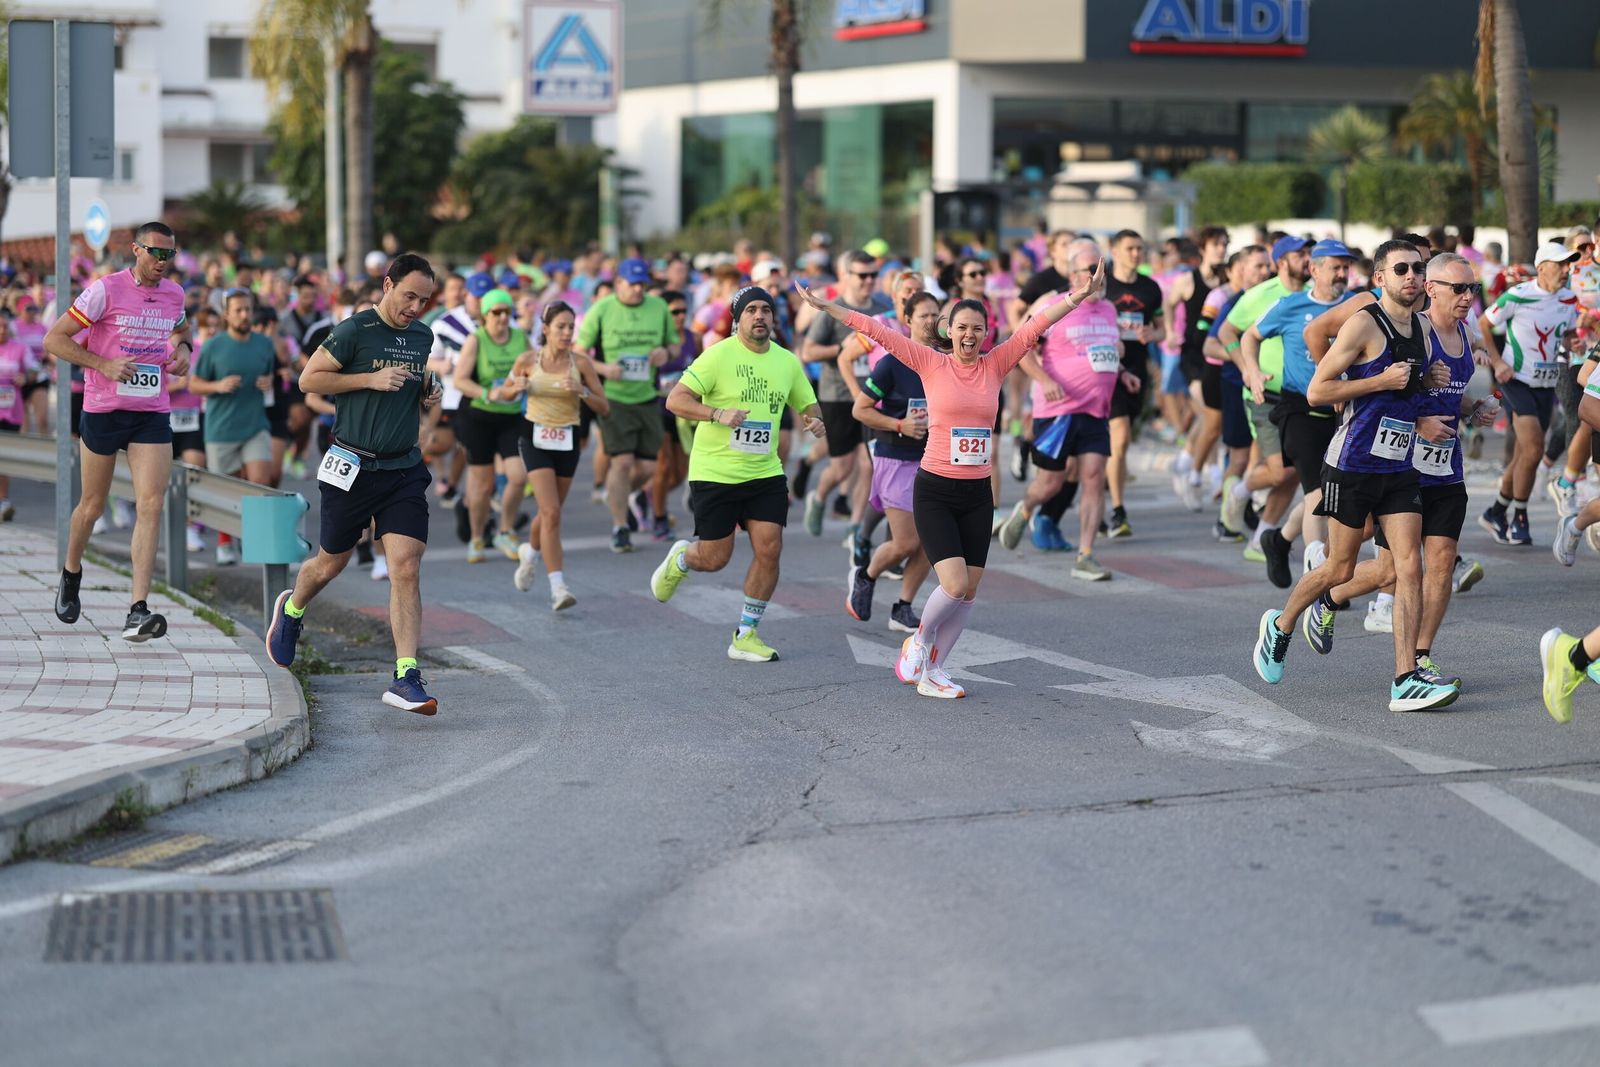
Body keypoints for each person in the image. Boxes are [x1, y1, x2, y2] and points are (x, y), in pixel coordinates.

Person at [797, 260, 1107, 698]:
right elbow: (877, 331)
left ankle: (935, 671)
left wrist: (1079, 296)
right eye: (962, 327)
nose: (969, 335)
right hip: (936, 490)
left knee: (970, 591)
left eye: (977, 328)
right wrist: (828, 307)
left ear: (986, 333)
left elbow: (1038, 322)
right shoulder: (930, 362)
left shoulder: (997, 364)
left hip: (977, 494)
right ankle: (919, 642)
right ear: (950, 330)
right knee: (955, 584)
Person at [1251, 239, 1458, 713]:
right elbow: (1318, 391)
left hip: (1399, 466)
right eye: (1401, 269)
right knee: (1339, 569)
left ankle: (1405, 678)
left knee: (1407, 567)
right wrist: (1380, 380)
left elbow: (1409, 388)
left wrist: (1427, 385)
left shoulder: (1425, 328)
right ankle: (1280, 625)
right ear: (1380, 278)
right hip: (1352, 465)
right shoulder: (1364, 323)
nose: (1411, 276)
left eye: (1418, 268)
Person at [1303, 253, 1496, 689]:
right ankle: (1328, 596)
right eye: (1459, 288)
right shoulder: (1412, 331)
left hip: (1446, 466)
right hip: (1402, 464)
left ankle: (1421, 658)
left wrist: (1473, 409)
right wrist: (1418, 421)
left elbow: (1451, 395)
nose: (1468, 297)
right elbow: (1393, 393)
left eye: (1472, 289)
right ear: (1433, 290)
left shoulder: (1467, 335)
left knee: (1441, 561)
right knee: (1391, 571)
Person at [266, 253, 445, 716]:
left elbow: (412, 386)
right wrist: (370, 378)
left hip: (402, 468)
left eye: (424, 301)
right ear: (387, 285)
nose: (416, 308)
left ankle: (406, 675)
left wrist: (428, 389)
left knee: (405, 565)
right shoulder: (354, 330)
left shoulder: (422, 336)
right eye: (410, 296)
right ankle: (292, 609)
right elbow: (309, 379)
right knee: (330, 563)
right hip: (352, 466)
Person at [652, 286, 826, 662]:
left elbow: (808, 404)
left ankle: (746, 634)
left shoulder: (786, 361)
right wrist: (717, 413)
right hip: (716, 471)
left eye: (766, 309)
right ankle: (683, 558)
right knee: (715, 558)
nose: (759, 315)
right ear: (737, 319)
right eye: (751, 310)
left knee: (770, 547)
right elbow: (676, 400)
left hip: (764, 471)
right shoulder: (717, 356)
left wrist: (815, 420)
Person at [44, 221, 193, 642]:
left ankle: (137, 609)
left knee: (151, 504)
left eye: (169, 254)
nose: (162, 261)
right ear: (136, 249)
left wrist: (184, 349)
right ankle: (71, 572)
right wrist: (103, 365)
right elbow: (54, 340)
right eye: (155, 253)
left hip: (151, 411)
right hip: (104, 410)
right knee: (92, 506)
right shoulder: (105, 290)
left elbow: (183, 330)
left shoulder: (174, 294)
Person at [998, 245, 1130, 580]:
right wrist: (1043, 380)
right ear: (1073, 276)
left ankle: (1086, 555)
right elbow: (1019, 346)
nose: (1099, 274)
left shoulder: (1109, 310)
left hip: (1096, 410)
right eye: (1090, 268)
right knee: (1050, 483)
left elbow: (1102, 351)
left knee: (1094, 477)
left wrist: (1123, 371)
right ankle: (1026, 508)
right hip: (1058, 411)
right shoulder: (1053, 305)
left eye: (1102, 267)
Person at [1237, 239, 1357, 586]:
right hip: (1299, 410)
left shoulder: (1357, 305)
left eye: (1345, 267)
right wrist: (1252, 370)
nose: (1342, 274)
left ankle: (1279, 539)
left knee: (1335, 494)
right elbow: (1249, 337)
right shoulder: (1290, 305)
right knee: (1318, 493)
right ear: (1314, 269)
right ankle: (1319, 579)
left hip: (1343, 410)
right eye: (1335, 267)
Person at [504, 301, 609, 609]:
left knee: (550, 512)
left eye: (571, 327)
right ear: (546, 329)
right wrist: (515, 388)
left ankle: (530, 553)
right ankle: (558, 587)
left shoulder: (582, 363)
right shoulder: (527, 360)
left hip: (567, 440)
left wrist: (582, 391)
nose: (566, 333)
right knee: (551, 512)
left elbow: (604, 407)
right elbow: (503, 393)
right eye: (560, 326)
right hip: (534, 438)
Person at [1477, 241, 1581, 546]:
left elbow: (1567, 334)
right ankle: (1519, 518)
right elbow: (1484, 323)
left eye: (1568, 265)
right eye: (1560, 265)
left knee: (1525, 454)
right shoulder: (1518, 295)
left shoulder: (1569, 299)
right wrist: (1497, 363)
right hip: (1516, 380)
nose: (1566, 270)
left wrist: (1572, 342)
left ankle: (1496, 511)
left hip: (1546, 384)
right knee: (1535, 448)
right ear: (1542, 267)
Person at [847, 290, 936, 628]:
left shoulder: (944, 363)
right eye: (924, 315)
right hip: (895, 459)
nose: (930, 321)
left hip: (933, 461)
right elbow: (861, 410)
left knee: (931, 542)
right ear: (908, 320)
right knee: (905, 542)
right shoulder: (891, 363)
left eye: (935, 315)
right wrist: (900, 425)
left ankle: (903, 607)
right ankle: (866, 575)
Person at [577, 257, 678, 553]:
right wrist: (604, 369)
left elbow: (674, 345)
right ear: (618, 283)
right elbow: (579, 353)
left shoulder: (658, 308)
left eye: (642, 284)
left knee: (648, 467)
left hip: (647, 396)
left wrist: (665, 353)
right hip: (614, 398)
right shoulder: (602, 309)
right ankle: (620, 527)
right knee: (621, 462)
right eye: (632, 284)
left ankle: (619, 495)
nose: (637, 289)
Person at [801, 250, 892, 539]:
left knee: (868, 464)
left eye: (873, 275)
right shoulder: (833, 310)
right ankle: (819, 496)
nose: (868, 281)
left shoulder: (883, 308)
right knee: (842, 468)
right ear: (847, 276)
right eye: (862, 275)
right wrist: (843, 349)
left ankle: (855, 528)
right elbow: (808, 351)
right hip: (837, 395)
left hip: (874, 397)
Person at [189, 288, 279, 564]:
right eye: (238, 310)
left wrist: (268, 382)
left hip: (255, 424)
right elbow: (194, 385)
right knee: (226, 489)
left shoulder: (264, 344)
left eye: (247, 310)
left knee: (260, 482)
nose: (244, 315)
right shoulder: (213, 346)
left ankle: (255, 541)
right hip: (221, 428)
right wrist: (218, 386)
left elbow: (270, 375)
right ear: (226, 315)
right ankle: (225, 543)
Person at [453, 289, 531, 563]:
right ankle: (477, 537)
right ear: (485, 315)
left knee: (519, 477)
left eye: (507, 312)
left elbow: (533, 368)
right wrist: (489, 393)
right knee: (483, 485)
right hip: (478, 417)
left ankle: (505, 530)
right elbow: (460, 380)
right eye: (496, 312)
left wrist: (527, 382)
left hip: (511, 416)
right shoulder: (476, 340)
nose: (502, 317)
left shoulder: (520, 337)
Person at [1103, 230, 1165, 539]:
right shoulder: (1102, 284)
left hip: (1137, 370)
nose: (1136, 254)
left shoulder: (1150, 288)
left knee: (1120, 443)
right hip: (1106, 369)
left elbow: (1162, 329)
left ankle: (1103, 487)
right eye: (1129, 248)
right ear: (1114, 250)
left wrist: (1153, 334)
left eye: (1140, 248)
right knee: (1121, 436)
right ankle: (1118, 510)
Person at [0, 315, 38, 520]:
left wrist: (25, 377)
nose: (2, 330)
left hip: (10, 411)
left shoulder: (20, 348)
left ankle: (3, 500)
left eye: (5, 326)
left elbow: (34, 369)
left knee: (3, 457)